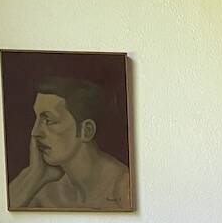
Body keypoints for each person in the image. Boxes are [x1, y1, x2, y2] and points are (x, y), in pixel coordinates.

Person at [8, 77, 131, 210]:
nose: (35, 132)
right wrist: (34, 174)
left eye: (49, 120)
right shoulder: (45, 190)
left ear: (86, 130)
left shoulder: (124, 187)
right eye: (37, 119)